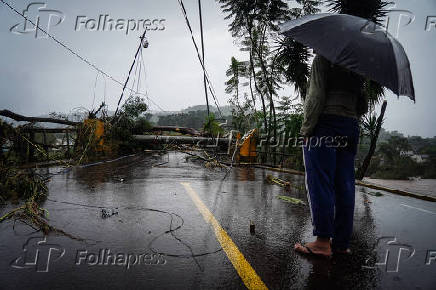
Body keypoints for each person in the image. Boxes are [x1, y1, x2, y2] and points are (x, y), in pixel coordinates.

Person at [294, 54, 368, 258]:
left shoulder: (324, 58)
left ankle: (323, 242)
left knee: (320, 180)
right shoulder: (358, 63)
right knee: (345, 183)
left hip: (325, 123)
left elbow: (315, 96)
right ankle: (341, 243)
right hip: (351, 125)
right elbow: (363, 105)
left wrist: (307, 129)